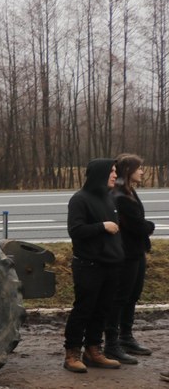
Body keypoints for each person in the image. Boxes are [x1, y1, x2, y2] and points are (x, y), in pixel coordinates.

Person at [62, 157, 124, 373]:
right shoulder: (80, 199)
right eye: (112, 171)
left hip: (111, 263)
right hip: (88, 264)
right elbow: (76, 231)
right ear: (100, 174)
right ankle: (72, 354)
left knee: (102, 310)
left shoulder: (109, 198)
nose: (115, 175)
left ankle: (93, 350)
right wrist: (102, 226)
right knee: (84, 309)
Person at [105, 153, 154, 362]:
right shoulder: (120, 197)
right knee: (121, 298)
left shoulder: (129, 192)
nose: (142, 171)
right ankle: (112, 343)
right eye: (138, 168)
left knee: (132, 296)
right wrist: (150, 227)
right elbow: (137, 225)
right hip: (126, 254)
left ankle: (126, 336)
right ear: (129, 172)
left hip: (135, 252)